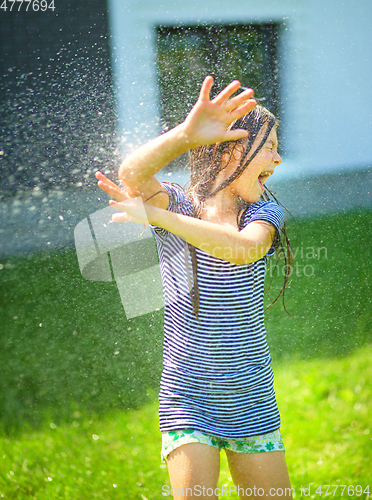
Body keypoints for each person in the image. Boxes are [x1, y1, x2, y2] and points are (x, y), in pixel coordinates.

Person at [96, 76, 293, 499]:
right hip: (187, 397)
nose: (278, 157)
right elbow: (132, 172)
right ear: (235, 148)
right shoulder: (180, 202)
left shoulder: (262, 211)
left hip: (251, 395)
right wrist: (186, 135)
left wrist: (157, 217)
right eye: (271, 145)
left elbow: (243, 250)